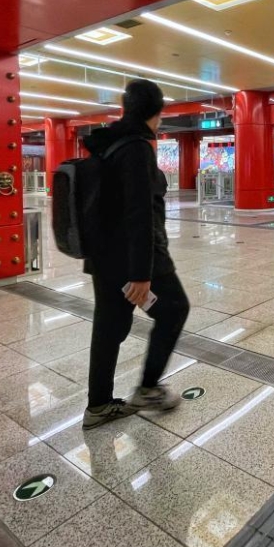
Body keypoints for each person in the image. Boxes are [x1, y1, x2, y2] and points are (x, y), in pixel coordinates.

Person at [81, 79, 190, 430]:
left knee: (109, 325)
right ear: (158, 111)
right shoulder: (137, 148)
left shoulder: (107, 144)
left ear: (126, 107)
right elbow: (140, 215)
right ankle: (147, 389)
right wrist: (142, 275)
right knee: (174, 309)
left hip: (104, 257)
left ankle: (98, 405)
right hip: (136, 260)